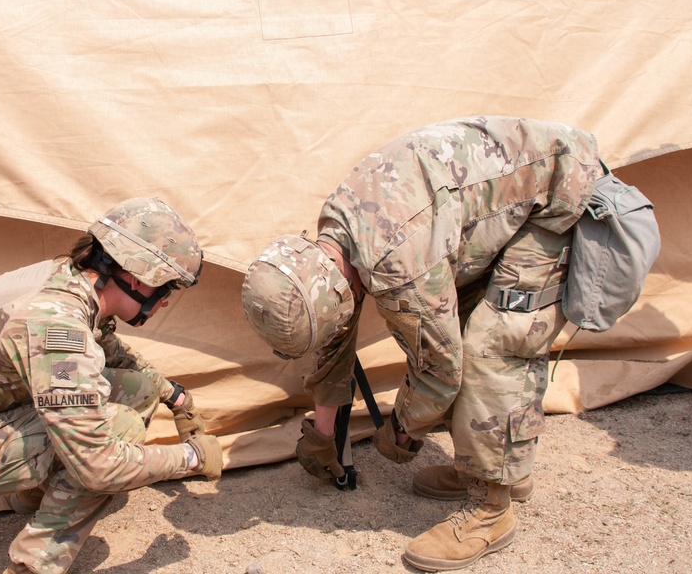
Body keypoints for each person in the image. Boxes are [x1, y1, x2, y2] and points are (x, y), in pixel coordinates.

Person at [240, 116, 602, 571]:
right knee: (467, 324)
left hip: (559, 193)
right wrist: (323, 432)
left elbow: (440, 370)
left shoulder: (398, 266)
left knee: (492, 343)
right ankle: (496, 466)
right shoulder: (332, 240)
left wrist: (401, 435)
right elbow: (338, 332)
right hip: (490, 208)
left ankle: (491, 509)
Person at [0, 196, 223, 574]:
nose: (163, 304)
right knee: (117, 430)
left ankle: (32, 495)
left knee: (137, 389)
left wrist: (173, 396)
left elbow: (112, 351)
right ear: (135, 278)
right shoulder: (56, 325)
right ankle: (34, 564)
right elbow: (99, 464)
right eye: (167, 290)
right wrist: (192, 457)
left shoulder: (72, 281)